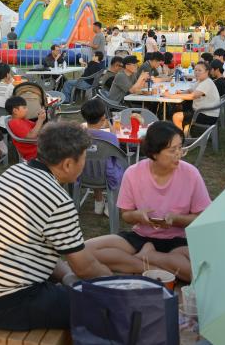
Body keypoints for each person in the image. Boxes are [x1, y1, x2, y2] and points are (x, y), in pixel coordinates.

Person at [0, 123, 112, 331]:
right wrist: (114, 284)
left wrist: (67, 277)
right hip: (6, 303)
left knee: (75, 286)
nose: (84, 164)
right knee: (107, 308)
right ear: (68, 164)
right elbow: (85, 268)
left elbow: (38, 247)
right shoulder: (57, 199)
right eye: (84, 158)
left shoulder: (17, 172)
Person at [85, 121, 210, 283]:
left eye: (181, 148)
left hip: (177, 241)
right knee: (86, 250)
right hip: (141, 236)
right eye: (173, 150)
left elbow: (202, 218)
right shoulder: (133, 173)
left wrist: (176, 219)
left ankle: (148, 259)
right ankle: (151, 267)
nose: (179, 154)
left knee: (199, 275)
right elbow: (127, 215)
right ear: (154, 153)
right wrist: (138, 215)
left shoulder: (190, 174)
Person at [81, 98, 126, 215]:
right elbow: (117, 152)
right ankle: (110, 205)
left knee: (94, 162)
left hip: (83, 173)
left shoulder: (78, 134)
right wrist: (110, 126)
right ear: (103, 118)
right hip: (107, 175)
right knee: (112, 164)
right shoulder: (110, 137)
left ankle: (98, 201)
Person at [171, 62, 221, 130]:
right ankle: (186, 134)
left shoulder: (207, 82)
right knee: (179, 106)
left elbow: (192, 96)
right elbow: (190, 90)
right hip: (203, 111)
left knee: (176, 116)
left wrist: (171, 96)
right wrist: (181, 93)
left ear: (207, 72)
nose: (196, 72)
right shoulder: (201, 81)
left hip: (207, 115)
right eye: (195, 70)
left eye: (199, 70)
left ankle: (181, 138)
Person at [5, 95, 47, 160]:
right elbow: (31, 136)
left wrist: (41, 118)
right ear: (15, 111)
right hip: (34, 152)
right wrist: (40, 120)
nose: (27, 110)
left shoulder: (22, 120)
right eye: (24, 108)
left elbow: (36, 127)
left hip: (38, 146)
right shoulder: (15, 123)